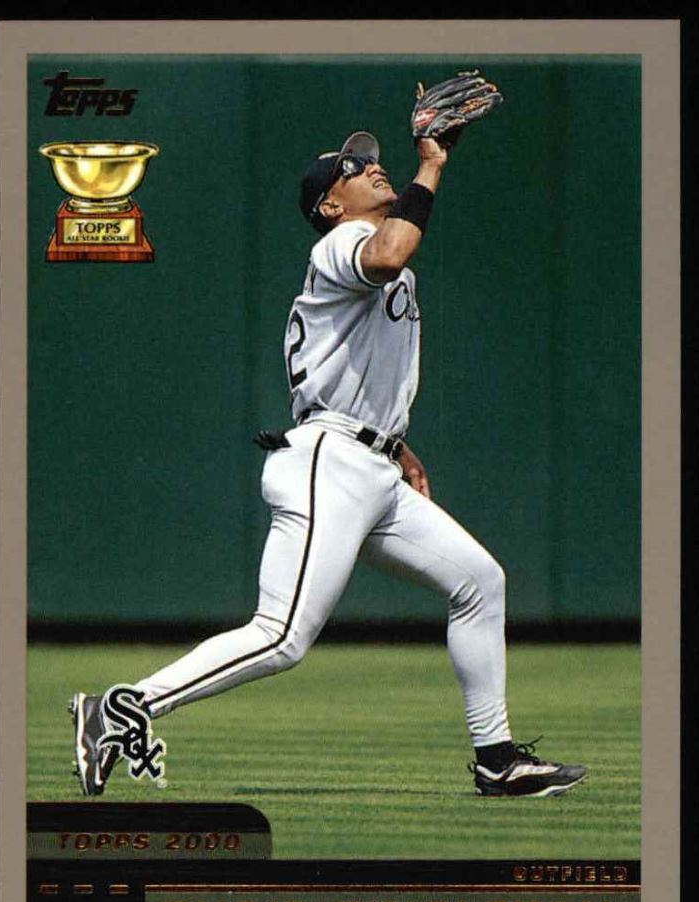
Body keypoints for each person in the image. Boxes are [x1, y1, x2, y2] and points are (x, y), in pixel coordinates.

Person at [70, 126, 586, 799]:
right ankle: (118, 710)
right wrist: (431, 166)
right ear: (330, 205)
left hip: (365, 465)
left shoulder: (359, 251)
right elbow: (391, 252)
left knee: (479, 582)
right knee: (281, 636)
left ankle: (496, 759)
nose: (372, 167)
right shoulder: (342, 244)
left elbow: (344, 371)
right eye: (353, 166)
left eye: (371, 159)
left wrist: (394, 445)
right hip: (330, 466)